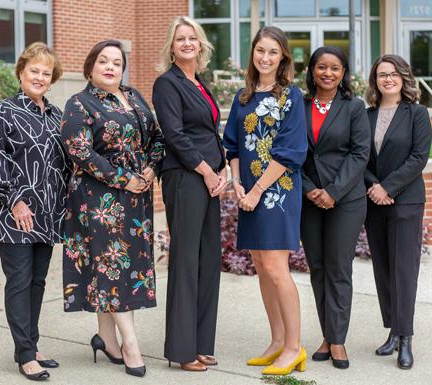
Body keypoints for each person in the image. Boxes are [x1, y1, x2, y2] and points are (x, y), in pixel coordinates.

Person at [60, 40, 165, 378]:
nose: (110, 67)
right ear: (90, 67)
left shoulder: (134, 96)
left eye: (117, 62)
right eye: (103, 61)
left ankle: (106, 338)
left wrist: (151, 169)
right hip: (98, 200)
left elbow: (157, 139)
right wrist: (125, 179)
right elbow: (79, 151)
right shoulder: (79, 103)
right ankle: (130, 343)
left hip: (136, 199)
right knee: (112, 265)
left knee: (113, 267)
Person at [222, 26, 308, 376]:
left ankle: (294, 346)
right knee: (261, 265)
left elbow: (291, 151)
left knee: (276, 267)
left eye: (273, 52)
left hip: (278, 193)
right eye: (261, 50)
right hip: (249, 195)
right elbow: (231, 144)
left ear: (283, 57)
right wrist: (239, 184)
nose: (266, 57)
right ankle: (276, 342)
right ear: (253, 53)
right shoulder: (242, 97)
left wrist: (257, 191)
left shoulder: (291, 97)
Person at [0, 42, 68, 381]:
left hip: (46, 214)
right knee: (19, 280)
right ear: (20, 73)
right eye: (34, 71)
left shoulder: (57, 115)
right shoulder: (3, 111)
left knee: (38, 281)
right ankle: (25, 355)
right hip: (12, 213)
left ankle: (30, 343)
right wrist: (16, 201)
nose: (40, 77)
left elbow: (65, 164)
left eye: (46, 73)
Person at [152, 16, 227, 372]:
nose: (186, 43)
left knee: (209, 258)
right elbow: (176, 135)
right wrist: (208, 171)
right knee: (186, 261)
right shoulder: (167, 84)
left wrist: (224, 167)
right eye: (180, 39)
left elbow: (211, 131)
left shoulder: (200, 82)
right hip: (185, 178)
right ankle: (182, 351)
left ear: (201, 45)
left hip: (210, 180)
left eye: (192, 38)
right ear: (172, 46)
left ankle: (202, 343)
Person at [299, 46, 370, 370]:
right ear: (312, 71)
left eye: (335, 68)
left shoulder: (354, 107)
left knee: (339, 268)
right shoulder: (297, 106)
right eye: (322, 67)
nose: (328, 73)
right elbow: (288, 152)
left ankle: (337, 339)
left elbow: (360, 153)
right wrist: (311, 189)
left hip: (346, 200)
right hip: (308, 198)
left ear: (343, 74)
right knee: (318, 268)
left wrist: (334, 192)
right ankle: (328, 335)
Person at [363, 54, 432, 370]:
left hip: (405, 201)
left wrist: (387, 187)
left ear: (404, 78)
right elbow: (359, 157)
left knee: (404, 270)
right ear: (374, 81)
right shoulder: (366, 116)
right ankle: (392, 330)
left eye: (392, 74)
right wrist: (374, 186)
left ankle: (405, 339)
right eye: (381, 75)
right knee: (384, 268)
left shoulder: (417, 113)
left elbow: (419, 158)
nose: (387, 79)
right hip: (374, 202)